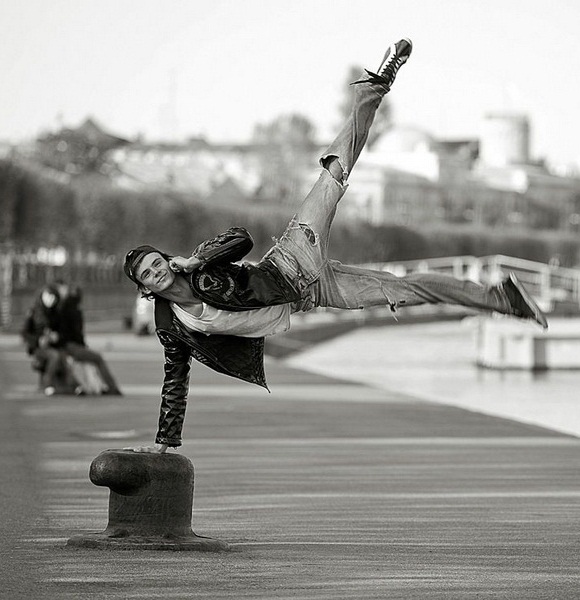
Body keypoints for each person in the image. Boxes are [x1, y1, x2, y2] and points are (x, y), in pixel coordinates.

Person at [123, 39, 548, 453]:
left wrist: (196, 257)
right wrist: (166, 443)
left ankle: (372, 89)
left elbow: (241, 240)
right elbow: (175, 379)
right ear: (145, 287)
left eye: (157, 261)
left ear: (166, 260)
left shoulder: (198, 268)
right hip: (311, 294)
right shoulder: (170, 323)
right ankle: (502, 299)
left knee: (334, 176)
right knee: (406, 291)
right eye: (147, 273)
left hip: (291, 258)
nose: (157, 271)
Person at [54, 280, 123, 396]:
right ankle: (112, 387)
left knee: (91, 360)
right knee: (98, 358)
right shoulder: (72, 309)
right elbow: (76, 333)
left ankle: (98, 386)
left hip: (67, 344)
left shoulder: (62, 307)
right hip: (70, 346)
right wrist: (83, 345)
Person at [21, 285, 75, 395]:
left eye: (53, 298)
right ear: (42, 296)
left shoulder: (57, 313)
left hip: (54, 346)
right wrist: (38, 340)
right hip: (39, 348)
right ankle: (47, 384)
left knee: (65, 357)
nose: (50, 300)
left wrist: (57, 337)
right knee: (54, 356)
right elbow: (25, 333)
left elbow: (64, 332)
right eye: (48, 296)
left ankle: (72, 385)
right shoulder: (33, 312)